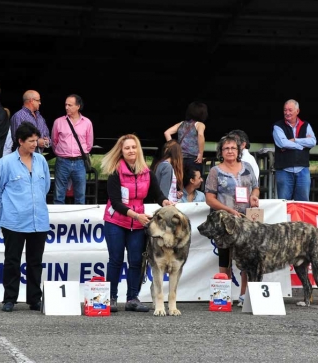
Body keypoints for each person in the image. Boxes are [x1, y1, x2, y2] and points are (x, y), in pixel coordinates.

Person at [100, 134, 173, 313]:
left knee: (136, 261)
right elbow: (116, 203)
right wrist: (137, 215)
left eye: (134, 147)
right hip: (116, 221)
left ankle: (132, 298)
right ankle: (111, 298)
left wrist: (166, 203)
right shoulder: (114, 171)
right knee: (115, 260)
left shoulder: (147, 172)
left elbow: (158, 194)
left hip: (137, 224)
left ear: (138, 149)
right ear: (121, 151)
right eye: (127, 148)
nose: (131, 150)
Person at [0, 122, 50, 312]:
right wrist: (11, 207)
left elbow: (46, 187)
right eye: (31, 141)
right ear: (20, 141)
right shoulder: (5, 162)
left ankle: (34, 299)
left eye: (36, 140)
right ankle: (9, 298)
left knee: (35, 262)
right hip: (14, 221)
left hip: (38, 220)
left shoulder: (41, 161)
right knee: (12, 260)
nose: (35, 144)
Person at [205, 134, 259, 307]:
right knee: (225, 256)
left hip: (245, 221)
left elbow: (255, 187)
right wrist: (228, 210)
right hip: (224, 220)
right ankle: (224, 295)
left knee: (246, 258)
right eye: (226, 148)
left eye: (233, 148)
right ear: (221, 151)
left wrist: (254, 197)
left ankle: (244, 295)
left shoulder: (248, 167)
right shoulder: (215, 171)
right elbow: (209, 198)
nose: (230, 151)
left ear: (239, 150)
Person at [51, 94, 94, 204]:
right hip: (62, 161)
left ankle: (80, 219)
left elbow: (89, 144)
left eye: (70, 105)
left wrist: (81, 153)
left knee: (80, 195)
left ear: (78, 106)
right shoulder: (58, 122)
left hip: (80, 162)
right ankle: (58, 219)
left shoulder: (87, 122)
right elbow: (54, 142)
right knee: (59, 194)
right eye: (66, 104)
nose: (66, 107)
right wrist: (61, 153)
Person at [272, 99, 317, 201]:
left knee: (303, 203)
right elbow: (283, 143)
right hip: (284, 170)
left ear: (297, 111)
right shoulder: (277, 126)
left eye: (290, 110)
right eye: (285, 110)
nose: (287, 113)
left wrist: (295, 140)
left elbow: (313, 142)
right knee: (284, 203)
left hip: (303, 170)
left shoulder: (306, 125)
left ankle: (300, 218)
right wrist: (302, 145)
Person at [163, 101, 208, 172]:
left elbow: (167, 133)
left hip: (179, 158)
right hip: (193, 159)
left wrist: (173, 148)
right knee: (193, 180)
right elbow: (200, 135)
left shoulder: (181, 123)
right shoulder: (200, 124)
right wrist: (200, 153)